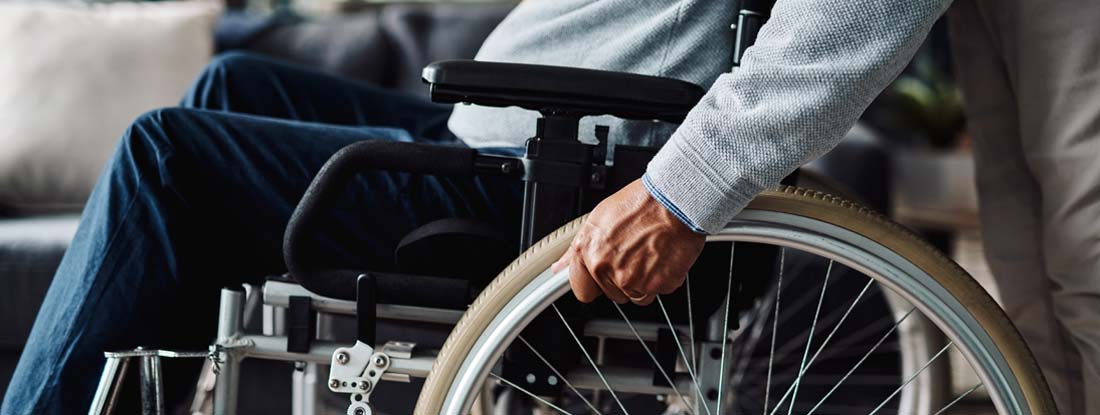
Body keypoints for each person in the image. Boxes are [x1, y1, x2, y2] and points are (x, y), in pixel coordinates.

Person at [3, 0, 1095, 414]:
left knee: (161, 159)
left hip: (553, 173)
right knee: (225, 92)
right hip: (498, 131)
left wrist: (676, 193)